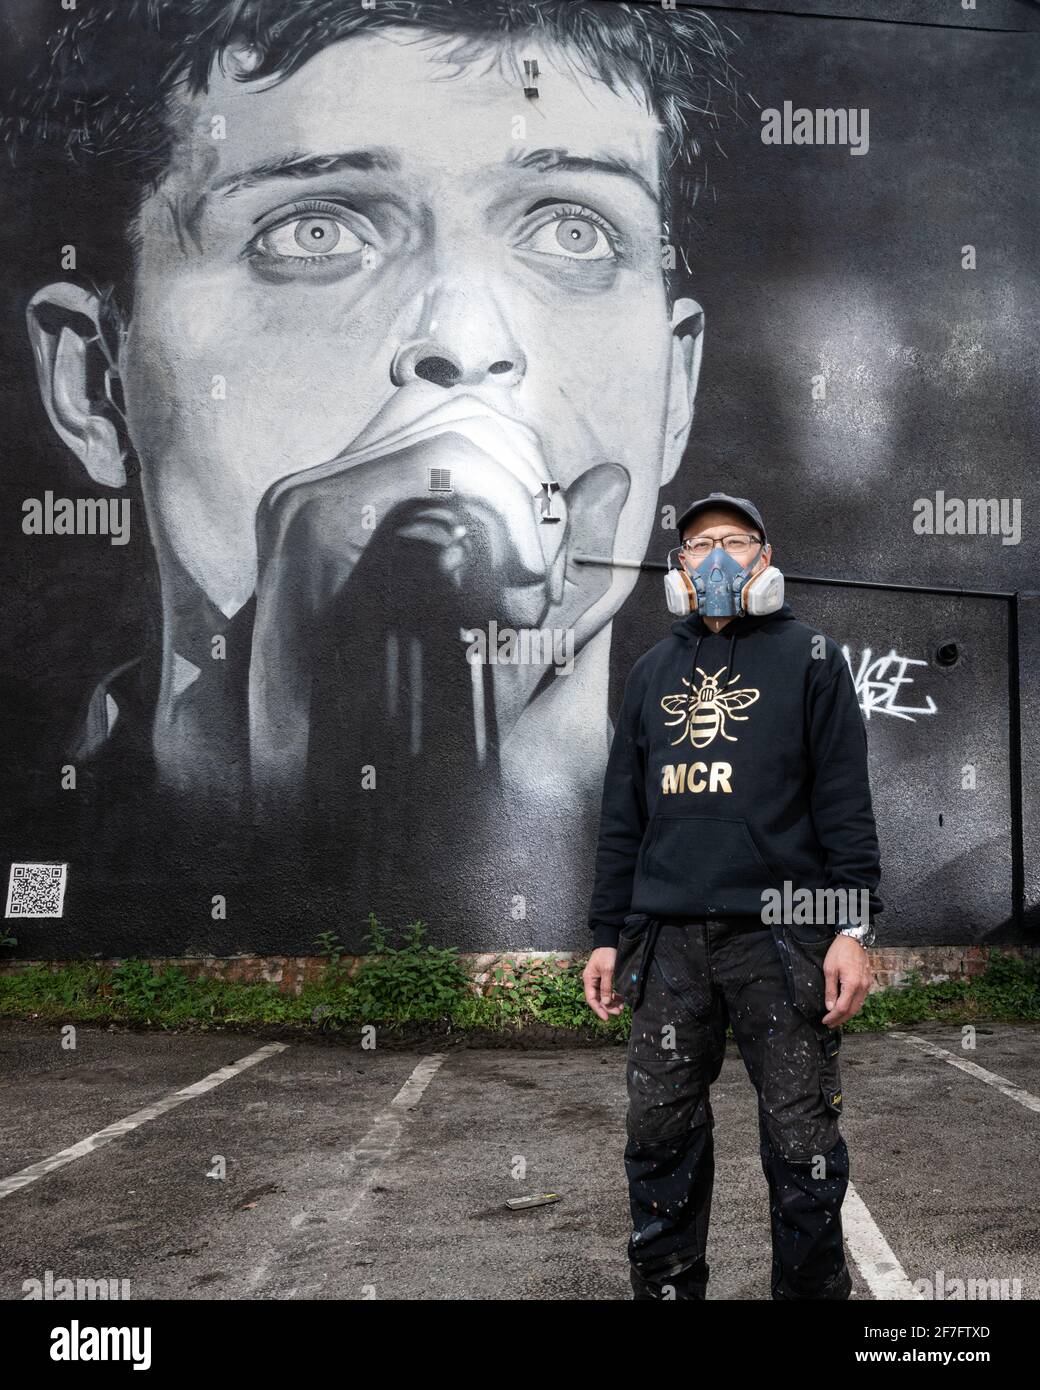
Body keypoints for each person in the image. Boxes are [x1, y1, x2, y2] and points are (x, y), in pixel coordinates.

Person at [1, 0, 737, 937]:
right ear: (96, 386)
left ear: (675, 392)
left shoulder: (765, 843)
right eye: (313, 231)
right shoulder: (34, 867)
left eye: (573, 231)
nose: (467, 345)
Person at [583, 491, 882, 1300]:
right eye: (699, 543)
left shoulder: (813, 658)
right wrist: (608, 933)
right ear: (679, 565)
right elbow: (623, 818)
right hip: (669, 940)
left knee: (800, 1141)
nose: (716, 556)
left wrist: (851, 927)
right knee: (658, 1136)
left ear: (765, 555)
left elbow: (846, 808)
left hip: (784, 938)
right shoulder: (651, 670)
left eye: (735, 541)